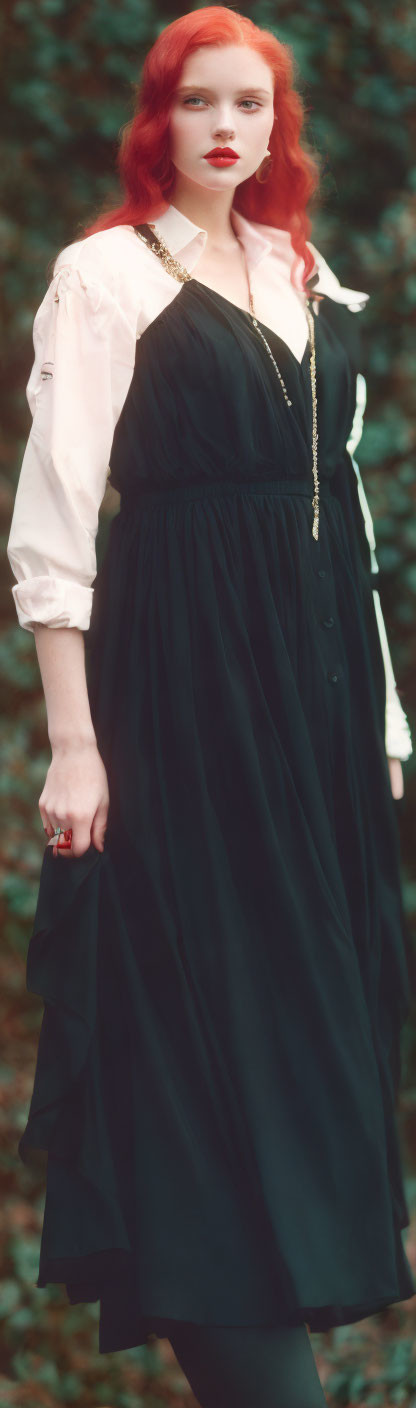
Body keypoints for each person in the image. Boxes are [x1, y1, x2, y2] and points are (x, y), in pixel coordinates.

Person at [6, 7, 415, 1404]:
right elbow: (56, 524)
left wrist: (384, 726)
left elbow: (344, 514)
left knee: (305, 1020)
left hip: (316, 715)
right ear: (157, 120)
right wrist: (74, 745)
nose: (226, 127)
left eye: (250, 104)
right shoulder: (105, 277)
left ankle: (277, 1331)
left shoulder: (305, 271)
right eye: (198, 103)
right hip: (177, 697)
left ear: (276, 127)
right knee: (195, 1010)